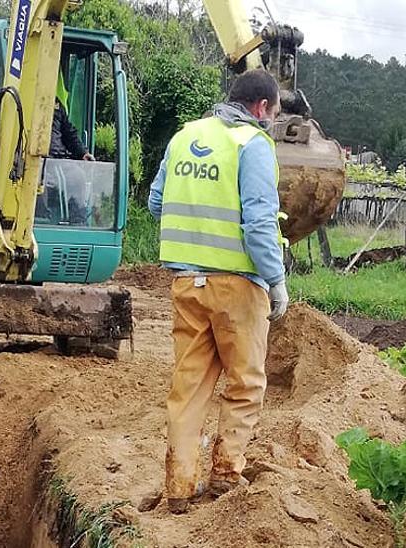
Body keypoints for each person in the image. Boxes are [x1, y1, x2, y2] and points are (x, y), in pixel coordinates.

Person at [147, 69, 288, 515]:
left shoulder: (184, 137)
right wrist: (277, 280)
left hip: (187, 284)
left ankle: (179, 485)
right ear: (262, 108)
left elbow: (155, 202)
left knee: (188, 388)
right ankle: (226, 473)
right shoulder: (253, 145)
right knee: (245, 383)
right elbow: (260, 224)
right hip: (238, 287)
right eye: (275, 113)